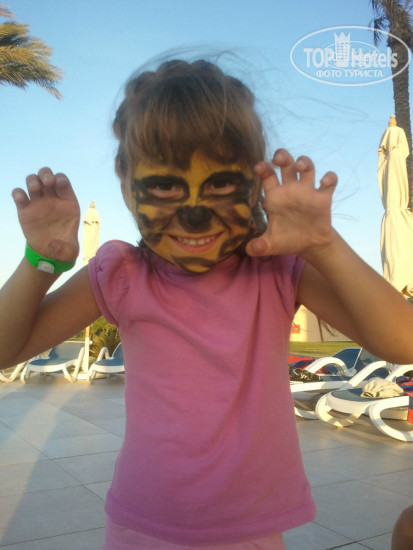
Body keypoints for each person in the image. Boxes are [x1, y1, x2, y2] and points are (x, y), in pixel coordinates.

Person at [1, 58, 413, 550]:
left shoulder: (278, 271)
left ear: (256, 185)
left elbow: (404, 341)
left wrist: (324, 245)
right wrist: (40, 261)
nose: (193, 214)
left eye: (219, 184)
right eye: (164, 185)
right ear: (126, 186)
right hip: (142, 527)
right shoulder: (121, 274)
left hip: (250, 530)